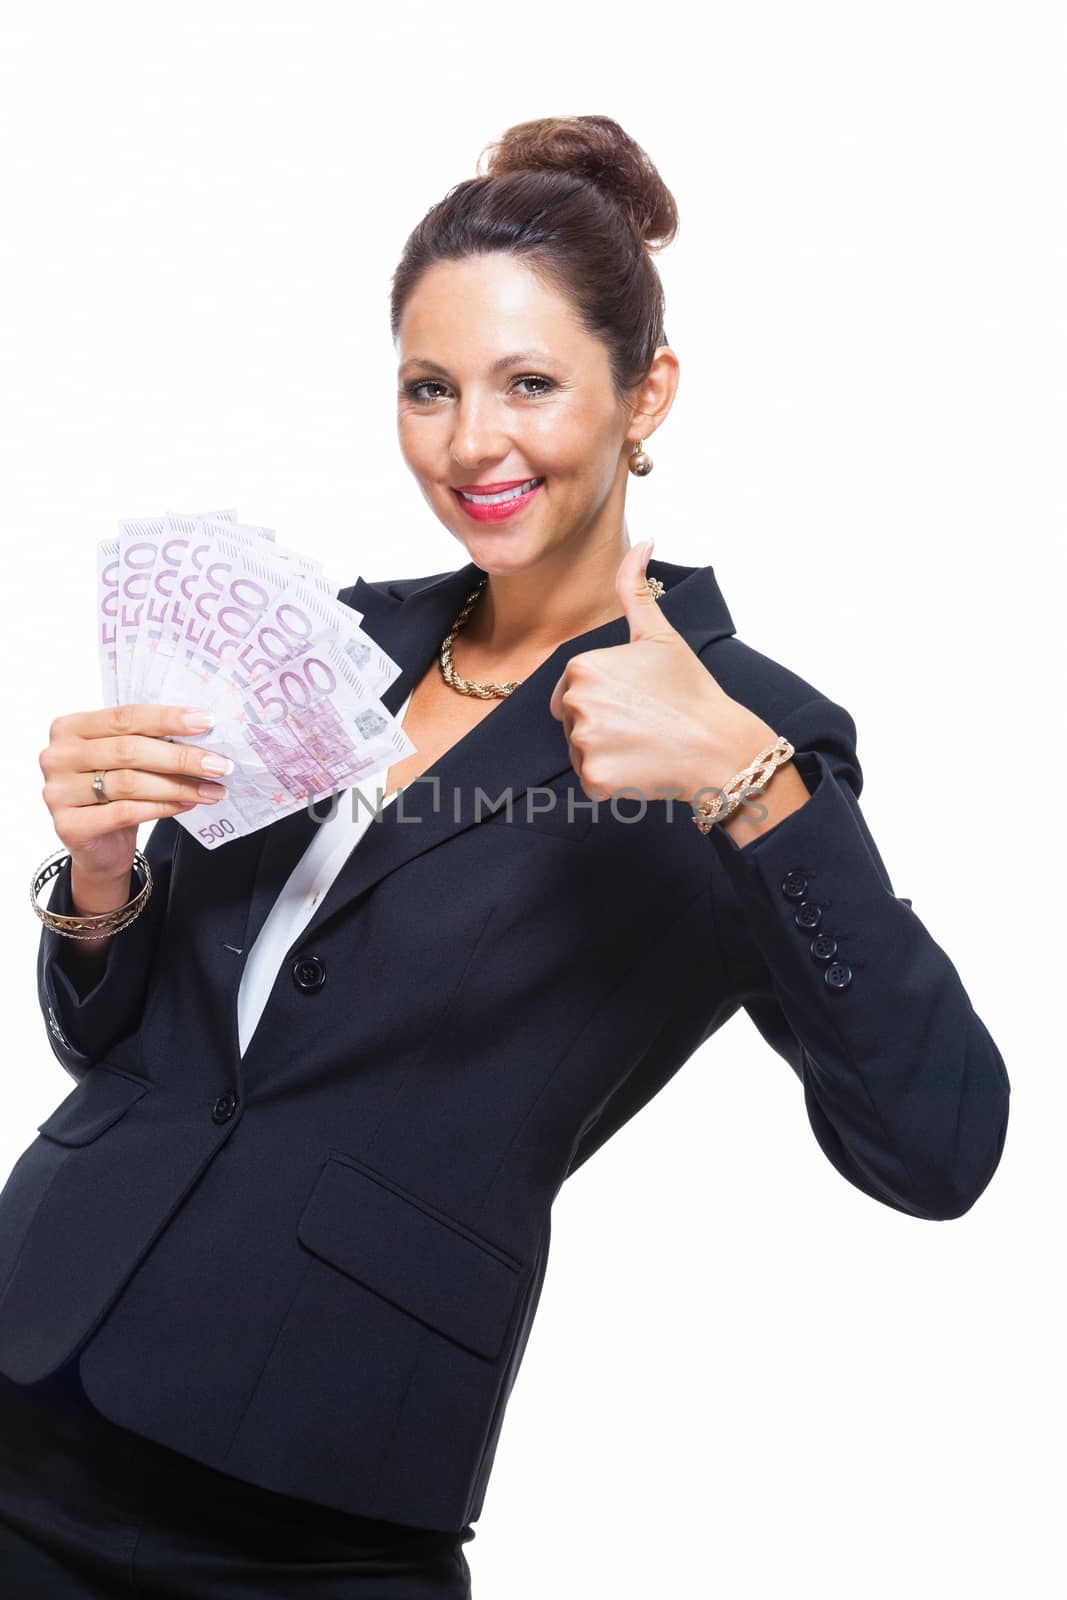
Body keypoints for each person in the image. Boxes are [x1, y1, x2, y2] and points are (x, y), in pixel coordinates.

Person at [1, 114, 1010, 1595]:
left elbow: (938, 1148)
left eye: (529, 384)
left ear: (642, 393)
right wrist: (100, 884)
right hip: (33, 1361)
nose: (472, 443)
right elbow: (129, 1052)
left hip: (307, 1494)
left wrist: (748, 785)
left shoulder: (748, 730)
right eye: (431, 388)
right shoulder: (332, 636)